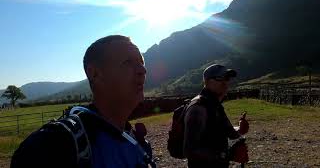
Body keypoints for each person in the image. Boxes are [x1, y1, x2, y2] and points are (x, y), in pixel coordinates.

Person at [11, 35, 149, 168]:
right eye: (128, 62)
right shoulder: (55, 144)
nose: (143, 70)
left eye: (141, 62)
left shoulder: (135, 138)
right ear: (95, 74)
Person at [183, 64, 249, 168]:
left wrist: (240, 129)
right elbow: (190, 150)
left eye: (227, 78)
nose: (226, 83)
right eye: (220, 78)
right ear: (208, 82)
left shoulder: (215, 105)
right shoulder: (198, 108)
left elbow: (229, 132)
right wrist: (228, 155)